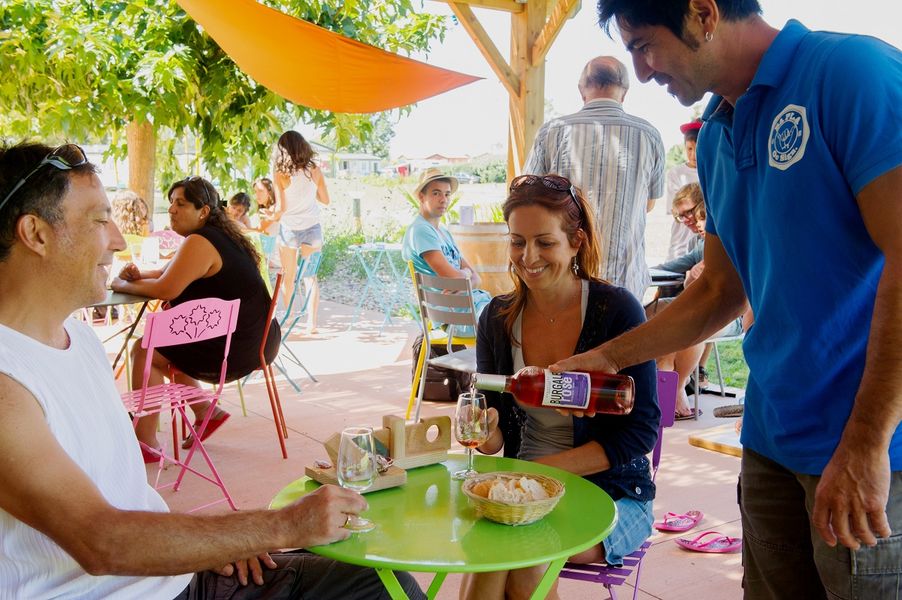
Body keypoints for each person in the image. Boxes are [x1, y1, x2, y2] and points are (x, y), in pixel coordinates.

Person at [555, 2, 902, 597]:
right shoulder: (716, 132)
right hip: (770, 439)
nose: (642, 72)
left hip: (873, 446)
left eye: (645, 46)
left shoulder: (850, 73)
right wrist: (607, 358)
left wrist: (867, 442)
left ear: (702, 12)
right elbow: (719, 288)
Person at [0, 141, 424, 599]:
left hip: (168, 574)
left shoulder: (79, 339)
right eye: (100, 221)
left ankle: (194, 416)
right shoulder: (8, 380)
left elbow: (125, 504)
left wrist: (215, 542)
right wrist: (277, 526)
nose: (118, 240)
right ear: (36, 233)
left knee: (380, 577)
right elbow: (102, 541)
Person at [465, 174, 659, 599]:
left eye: (544, 242)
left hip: (611, 491)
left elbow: (641, 431)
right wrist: (484, 429)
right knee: (490, 554)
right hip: (520, 490)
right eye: (517, 242)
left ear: (576, 242)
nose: (528, 257)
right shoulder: (497, 318)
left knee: (520, 555)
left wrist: (540, 474)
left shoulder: (616, 310)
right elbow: (494, 441)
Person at [111, 176, 281, 459]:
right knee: (166, 346)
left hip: (237, 347)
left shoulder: (200, 241)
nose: (172, 210)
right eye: (171, 203)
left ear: (203, 211)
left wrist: (121, 284)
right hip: (260, 340)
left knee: (145, 349)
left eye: (181, 204)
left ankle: (145, 441)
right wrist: (138, 276)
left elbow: (166, 288)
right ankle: (204, 410)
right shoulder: (219, 237)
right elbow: (165, 274)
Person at [524, 56, 665, 300]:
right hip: (625, 280)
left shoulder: (552, 132)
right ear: (624, 92)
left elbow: (527, 199)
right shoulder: (649, 135)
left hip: (564, 277)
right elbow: (648, 204)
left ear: (582, 90)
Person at [647, 187, 750, 420]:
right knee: (655, 310)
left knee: (691, 321)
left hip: (732, 315)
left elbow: (728, 293)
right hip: (706, 309)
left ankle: (675, 386)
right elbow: (676, 270)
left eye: (695, 216)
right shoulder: (701, 244)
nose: (690, 222)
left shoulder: (732, 240)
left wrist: (695, 282)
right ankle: (661, 378)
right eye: (682, 217)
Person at [401, 168, 492, 322]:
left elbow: (477, 278)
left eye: (447, 194)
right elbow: (456, 278)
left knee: (511, 314)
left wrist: (464, 280)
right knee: (506, 320)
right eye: (436, 193)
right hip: (451, 314)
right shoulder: (421, 231)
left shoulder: (444, 232)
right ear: (421, 197)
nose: (443, 199)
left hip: (470, 306)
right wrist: (466, 274)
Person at [273, 131, 330, 335]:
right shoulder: (314, 170)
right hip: (312, 228)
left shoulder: (280, 174)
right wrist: (310, 192)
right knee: (310, 277)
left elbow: (280, 208)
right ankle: (311, 324)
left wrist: (271, 215)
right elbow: (325, 200)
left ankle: (290, 319)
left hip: (289, 229)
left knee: (288, 277)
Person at [664, 120, 702, 261]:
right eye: (689, 149)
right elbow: (676, 209)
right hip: (681, 244)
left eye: (698, 149)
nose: (693, 155)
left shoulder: (714, 171)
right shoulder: (676, 173)